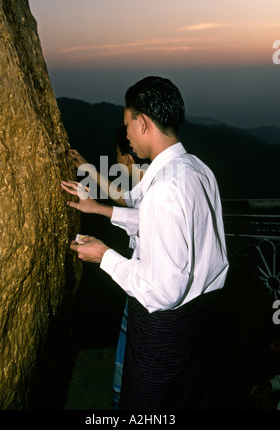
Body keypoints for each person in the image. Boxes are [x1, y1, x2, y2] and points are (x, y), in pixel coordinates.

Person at [62, 76, 229, 410]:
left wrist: (104, 256)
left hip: (161, 329)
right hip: (195, 321)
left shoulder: (165, 189)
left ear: (143, 122)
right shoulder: (194, 168)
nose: (125, 134)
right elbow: (163, 226)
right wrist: (101, 209)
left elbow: (162, 290)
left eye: (127, 125)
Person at [63, 126, 148, 409]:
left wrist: (105, 255)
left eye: (117, 158)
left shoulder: (161, 189)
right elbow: (127, 202)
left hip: (150, 300)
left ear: (128, 159)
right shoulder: (153, 183)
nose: (116, 164)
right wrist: (89, 170)